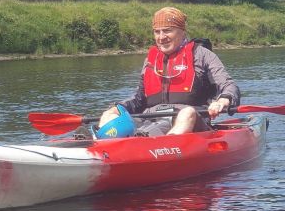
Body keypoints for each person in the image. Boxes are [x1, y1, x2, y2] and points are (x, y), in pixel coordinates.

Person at [98, 7, 240, 136]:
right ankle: (100, 145)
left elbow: (228, 86)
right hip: (150, 119)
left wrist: (222, 100)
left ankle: (165, 147)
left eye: (167, 31)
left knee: (187, 113)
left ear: (182, 32)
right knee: (110, 114)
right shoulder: (150, 60)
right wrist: (118, 107)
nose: (161, 37)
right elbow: (139, 98)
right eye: (157, 32)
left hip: (189, 120)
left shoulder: (202, 55)